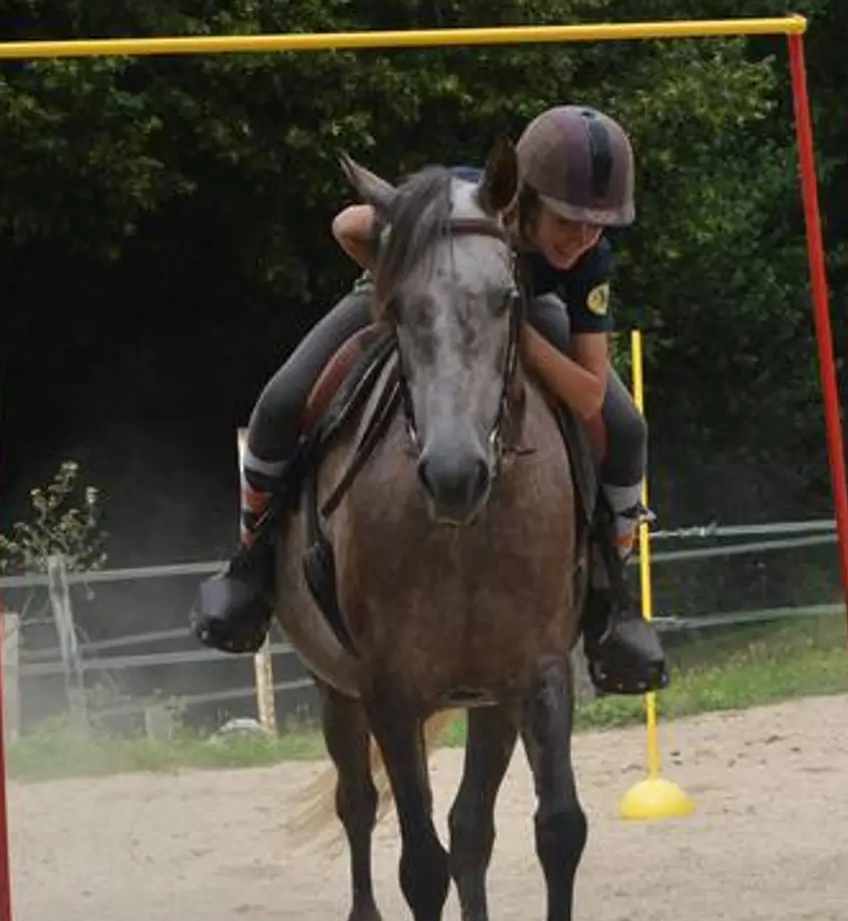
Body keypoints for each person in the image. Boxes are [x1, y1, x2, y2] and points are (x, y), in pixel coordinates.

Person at [191, 104, 668, 695]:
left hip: (519, 314)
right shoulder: (465, 201)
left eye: (598, 226)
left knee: (628, 429)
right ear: (525, 199)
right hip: (416, 303)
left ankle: (610, 593)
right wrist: (411, 287)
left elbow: (590, 393)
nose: (583, 237)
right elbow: (347, 225)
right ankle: (250, 564)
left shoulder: (592, 258)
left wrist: (511, 330)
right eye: (569, 220)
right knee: (281, 401)